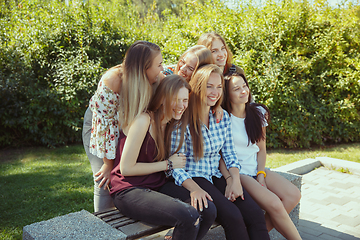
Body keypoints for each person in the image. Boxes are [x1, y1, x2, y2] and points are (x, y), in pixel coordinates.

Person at [169, 64, 269, 240]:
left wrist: (235, 181)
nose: (215, 92)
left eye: (219, 87)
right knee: (233, 217)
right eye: (209, 86)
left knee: (255, 214)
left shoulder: (222, 119)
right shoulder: (182, 122)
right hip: (195, 176)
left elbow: (229, 154)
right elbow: (175, 167)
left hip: (216, 174)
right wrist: (193, 189)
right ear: (198, 86)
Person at [110, 75, 217, 240]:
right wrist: (168, 164)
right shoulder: (144, 120)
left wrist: (194, 189)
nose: (181, 106)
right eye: (176, 100)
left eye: (185, 100)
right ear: (163, 98)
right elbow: (126, 168)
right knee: (189, 215)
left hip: (157, 185)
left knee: (208, 209)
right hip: (129, 190)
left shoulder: (171, 125)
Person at [82, 41, 164, 212]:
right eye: (159, 64)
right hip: (100, 125)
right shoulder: (113, 80)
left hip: (122, 124)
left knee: (122, 178)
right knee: (104, 180)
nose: (162, 68)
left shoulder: (154, 78)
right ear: (144, 67)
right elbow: (105, 128)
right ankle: (104, 227)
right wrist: (107, 164)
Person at [221, 72, 302, 240]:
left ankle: (258, 233)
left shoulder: (257, 112)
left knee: (294, 195)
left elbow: (261, 149)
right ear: (227, 94)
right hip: (239, 172)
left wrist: (261, 174)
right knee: (274, 203)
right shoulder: (223, 117)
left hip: (255, 168)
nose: (244, 91)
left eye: (244, 86)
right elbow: (220, 155)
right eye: (237, 89)